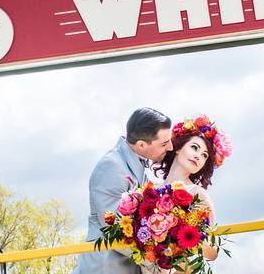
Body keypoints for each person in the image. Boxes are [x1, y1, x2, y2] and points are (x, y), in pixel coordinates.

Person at [73, 108, 173, 274]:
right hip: (106, 267)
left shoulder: (139, 163)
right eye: (164, 143)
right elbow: (115, 229)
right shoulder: (111, 166)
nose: (170, 147)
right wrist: (157, 261)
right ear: (141, 145)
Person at [147, 115, 233, 273]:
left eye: (205, 155)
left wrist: (187, 235)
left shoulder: (198, 195)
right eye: (194, 148)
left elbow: (213, 252)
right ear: (178, 147)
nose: (198, 156)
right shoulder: (150, 191)